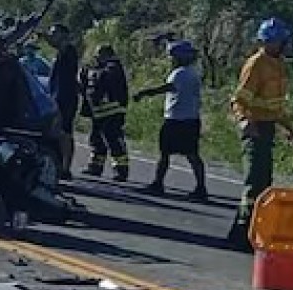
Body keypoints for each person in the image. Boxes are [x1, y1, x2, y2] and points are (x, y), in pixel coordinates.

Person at [228, 17, 293, 248]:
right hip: (255, 128)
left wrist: (287, 126)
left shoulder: (277, 64)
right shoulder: (256, 64)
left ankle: (254, 230)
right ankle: (241, 232)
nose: (285, 45)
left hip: (268, 128)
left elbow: (274, 104)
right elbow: (240, 99)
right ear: (270, 42)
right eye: (281, 41)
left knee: (264, 184)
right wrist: (243, 122)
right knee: (254, 184)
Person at [134, 40, 208, 200]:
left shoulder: (180, 73)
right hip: (190, 118)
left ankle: (158, 183)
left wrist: (145, 93)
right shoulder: (192, 72)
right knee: (191, 154)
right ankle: (200, 187)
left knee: (166, 153)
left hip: (177, 119)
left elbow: (168, 88)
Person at [81, 44, 131, 181]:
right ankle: (95, 166)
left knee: (114, 140)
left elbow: (104, 81)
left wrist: (92, 72)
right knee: (96, 140)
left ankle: (121, 170)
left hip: (112, 111)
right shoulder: (99, 69)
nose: (96, 58)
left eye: (99, 55)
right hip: (99, 112)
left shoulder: (113, 68)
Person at [44, 24, 82, 177]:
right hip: (56, 96)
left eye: (55, 33)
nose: (51, 36)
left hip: (65, 97)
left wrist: (46, 37)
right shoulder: (60, 53)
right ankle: (58, 164)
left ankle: (66, 168)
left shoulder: (69, 50)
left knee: (64, 132)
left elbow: (59, 44)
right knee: (56, 131)